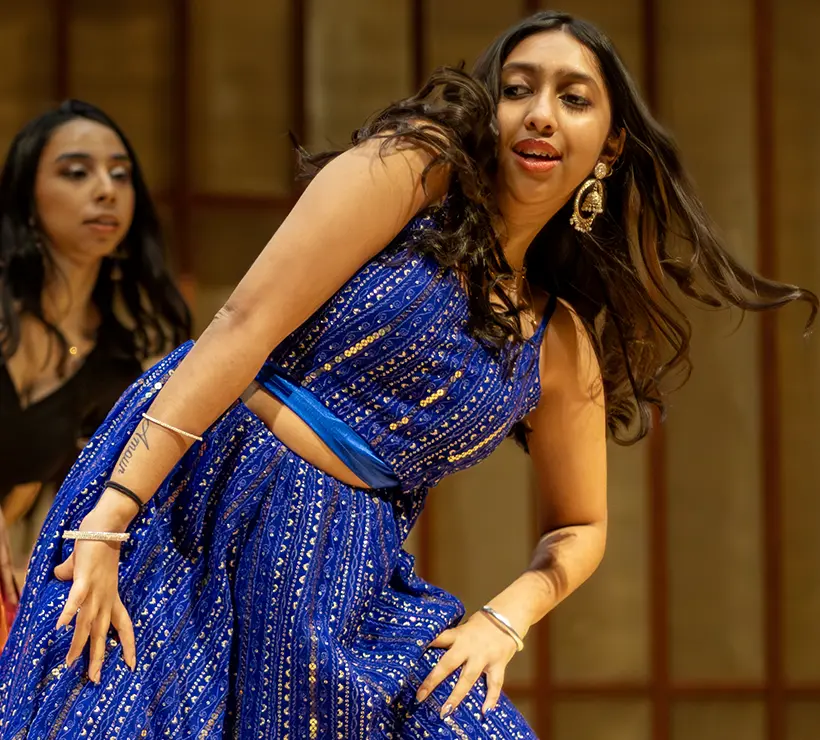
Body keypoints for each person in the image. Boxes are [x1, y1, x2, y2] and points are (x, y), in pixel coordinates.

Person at [0, 11, 816, 738]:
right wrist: (112, 514)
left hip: (340, 575)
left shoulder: (560, 339)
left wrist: (506, 620)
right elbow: (241, 327)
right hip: (191, 496)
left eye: (573, 97)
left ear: (610, 145)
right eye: (518, 88)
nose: (539, 112)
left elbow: (583, 528)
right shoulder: (417, 170)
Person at [0, 100, 190, 648]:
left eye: (120, 174)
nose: (106, 189)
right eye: (76, 172)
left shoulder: (116, 362)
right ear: (26, 197)